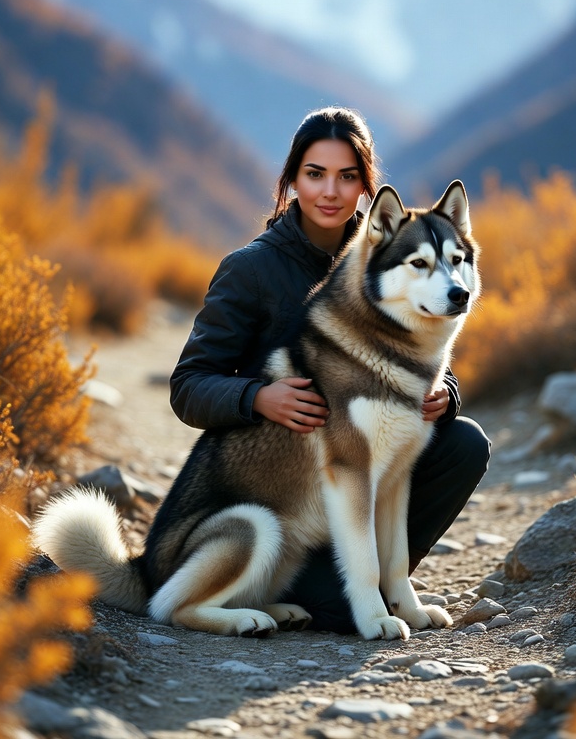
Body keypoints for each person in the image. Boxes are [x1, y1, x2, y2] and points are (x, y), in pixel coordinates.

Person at [169, 106, 491, 632]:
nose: (330, 192)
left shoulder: (395, 245)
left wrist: (444, 391)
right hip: (275, 493)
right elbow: (188, 385)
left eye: (347, 177)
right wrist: (256, 397)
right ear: (292, 178)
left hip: (341, 490)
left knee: (462, 443)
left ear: (366, 185)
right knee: (344, 612)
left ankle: (384, 578)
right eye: (315, 174)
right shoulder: (251, 269)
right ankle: (337, 588)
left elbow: (415, 345)